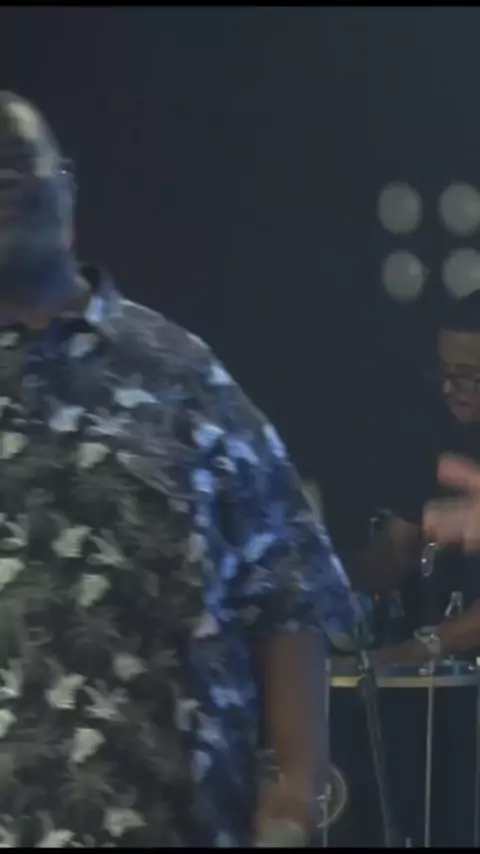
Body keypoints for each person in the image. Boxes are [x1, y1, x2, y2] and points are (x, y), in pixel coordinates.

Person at [0, 91, 358, 847]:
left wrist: (296, 787)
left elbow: (289, 585)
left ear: (66, 184)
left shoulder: (180, 373)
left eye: (15, 165)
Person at [345, 291, 480, 666]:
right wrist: (324, 582)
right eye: (443, 373)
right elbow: (394, 551)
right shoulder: (440, 437)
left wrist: (413, 652)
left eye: (466, 377)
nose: (449, 389)